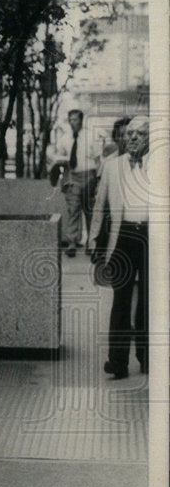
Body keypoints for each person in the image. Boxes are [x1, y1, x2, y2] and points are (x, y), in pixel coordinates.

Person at [87, 116, 149, 380]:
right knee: (121, 301)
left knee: (148, 300)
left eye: (140, 134)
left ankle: (147, 358)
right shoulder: (112, 167)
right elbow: (100, 206)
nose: (133, 137)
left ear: (150, 139)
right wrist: (92, 241)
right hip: (122, 238)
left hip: (151, 238)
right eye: (130, 133)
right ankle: (118, 361)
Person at [48, 109, 98, 257]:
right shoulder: (65, 138)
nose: (73, 122)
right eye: (71, 120)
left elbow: (97, 159)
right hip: (72, 176)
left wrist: (98, 179)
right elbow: (59, 156)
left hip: (89, 176)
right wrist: (59, 160)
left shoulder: (91, 135)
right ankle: (71, 243)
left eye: (75, 119)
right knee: (73, 209)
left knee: (89, 211)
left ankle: (91, 243)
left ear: (81, 120)